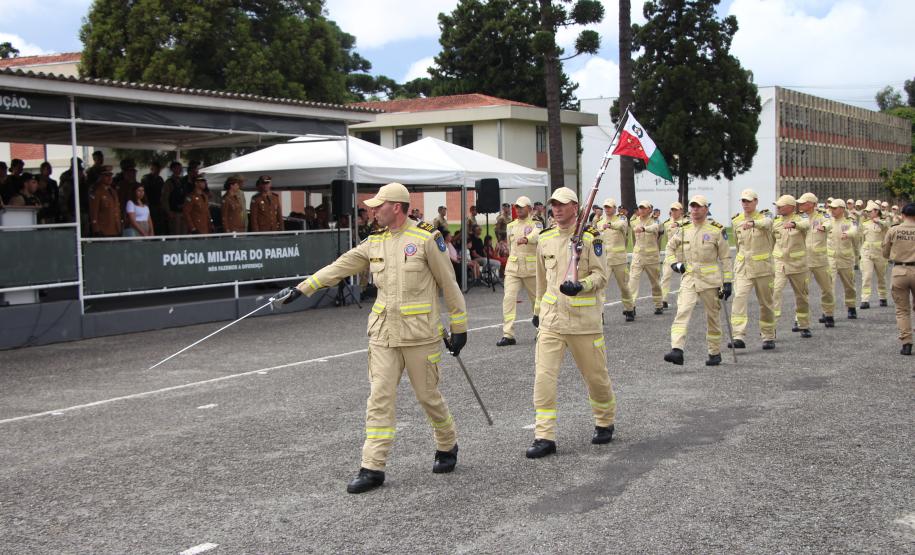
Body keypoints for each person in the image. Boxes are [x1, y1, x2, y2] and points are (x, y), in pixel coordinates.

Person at [286, 182, 468, 493]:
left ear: (396, 207)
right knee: (379, 398)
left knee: (427, 396)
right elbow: (340, 266)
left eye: (378, 206)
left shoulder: (426, 238)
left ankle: (447, 443)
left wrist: (460, 326)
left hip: (420, 335)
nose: (373, 210)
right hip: (383, 334)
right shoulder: (375, 242)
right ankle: (372, 466)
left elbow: (448, 284)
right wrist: (302, 288)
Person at [527, 186, 615, 459]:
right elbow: (542, 279)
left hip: (584, 321)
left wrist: (582, 285)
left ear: (576, 207)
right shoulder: (545, 238)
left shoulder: (590, 238)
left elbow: (602, 276)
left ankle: (604, 419)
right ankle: (544, 435)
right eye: (554, 204)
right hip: (552, 321)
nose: (557, 208)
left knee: (595, 377)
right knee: (544, 377)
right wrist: (538, 309)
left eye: (563, 204)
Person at [664, 195, 733, 366]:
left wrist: (728, 282)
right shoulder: (684, 228)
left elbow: (725, 258)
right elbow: (669, 247)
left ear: (706, 209)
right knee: (682, 311)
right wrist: (675, 264)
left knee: (712, 317)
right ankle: (677, 349)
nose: (695, 210)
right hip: (690, 278)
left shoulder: (716, 229)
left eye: (699, 207)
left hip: (710, 280)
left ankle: (714, 351)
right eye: (692, 207)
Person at [728, 189, 776, 349]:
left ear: (756, 201)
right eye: (743, 201)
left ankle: (768, 335)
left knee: (766, 303)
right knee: (739, 298)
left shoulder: (765, 216)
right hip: (743, 268)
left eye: (748, 201)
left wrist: (754, 223)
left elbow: (769, 224)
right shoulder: (736, 220)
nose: (745, 204)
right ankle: (738, 336)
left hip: (763, 268)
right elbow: (737, 243)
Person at [497, 196, 542, 346]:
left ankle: (541, 330)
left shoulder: (537, 223)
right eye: (517, 207)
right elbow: (511, 247)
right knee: (508, 299)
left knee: (537, 301)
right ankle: (508, 334)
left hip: (531, 269)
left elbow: (536, 236)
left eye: (521, 207)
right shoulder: (511, 225)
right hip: (513, 268)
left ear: (529, 208)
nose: (518, 209)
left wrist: (527, 239)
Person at [771, 195, 812, 338]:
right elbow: (771, 241)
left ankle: (803, 324)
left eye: (782, 205)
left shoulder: (801, 220)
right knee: (774, 293)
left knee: (801, 296)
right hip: (780, 264)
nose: (778, 208)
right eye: (778, 205)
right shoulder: (776, 222)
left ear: (791, 207)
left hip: (797, 265)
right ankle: (771, 328)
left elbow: (807, 225)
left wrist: (794, 225)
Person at [798, 193, 836, 328]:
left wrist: (824, 227)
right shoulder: (799, 217)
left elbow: (830, 223)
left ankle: (829, 314)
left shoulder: (823, 215)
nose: (801, 205)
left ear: (812, 204)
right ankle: (799, 319)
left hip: (820, 260)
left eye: (804, 203)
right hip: (804, 260)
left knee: (827, 289)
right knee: (802, 291)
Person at [882, 202, 915, 355]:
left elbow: (885, 251)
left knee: (902, 310)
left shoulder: (894, 230)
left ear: (902, 215)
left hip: (899, 271)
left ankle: (906, 343)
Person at [596, 198, 635, 321]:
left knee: (624, 286)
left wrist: (610, 225)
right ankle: (599, 314)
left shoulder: (621, 219)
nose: (607, 209)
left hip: (619, 260)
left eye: (609, 207)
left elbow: (622, 225)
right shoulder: (599, 223)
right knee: (601, 287)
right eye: (605, 207)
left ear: (614, 208)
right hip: (605, 260)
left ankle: (629, 309)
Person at [628, 200, 664, 314]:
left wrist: (644, 229)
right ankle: (630, 307)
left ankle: (658, 304)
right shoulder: (634, 221)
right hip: (638, 256)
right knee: (632, 282)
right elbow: (634, 226)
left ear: (650, 210)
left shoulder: (656, 221)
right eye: (640, 208)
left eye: (644, 208)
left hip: (651, 257)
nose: (642, 210)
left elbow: (655, 227)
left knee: (655, 283)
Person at [827, 198, 860, 319]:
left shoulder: (850, 220)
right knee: (829, 285)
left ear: (842, 209)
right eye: (831, 208)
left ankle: (851, 306)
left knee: (849, 285)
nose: (832, 210)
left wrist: (848, 234)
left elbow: (855, 230)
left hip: (845, 258)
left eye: (835, 208)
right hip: (831, 258)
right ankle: (828, 312)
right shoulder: (828, 221)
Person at [859, 201, 889, 308]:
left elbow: (888, 226)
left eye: (870, 211)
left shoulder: (884, 221)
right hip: (867, 252)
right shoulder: (865, 223)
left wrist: (879, 222)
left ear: (876, 211)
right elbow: (860, 238)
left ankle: (883, 297)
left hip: (880, 253)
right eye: (867, 211)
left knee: (881, 276)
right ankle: (865, 299)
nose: (868, 213)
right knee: (866, 276)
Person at [660, 202, 687, 309]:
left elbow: (688, 224)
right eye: (672, 210)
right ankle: (663, 299)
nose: (674, 212)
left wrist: (678, 224)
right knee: (666, 276)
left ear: (681, 211)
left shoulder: (687, 221)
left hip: (684, 254)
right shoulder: (666, 223)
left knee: (686, 277)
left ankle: (687, 297)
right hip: (672, 254)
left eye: (676, 210)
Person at [89, 166, 121, 237]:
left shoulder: (113, 191)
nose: (110, 178)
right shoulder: (96, 191)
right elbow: (94, 211)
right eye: (106, 176)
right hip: (103, 229)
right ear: (100, 177)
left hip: (115, 228)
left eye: (110, 175)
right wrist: (96, 228)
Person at [142, 161, 167, 235]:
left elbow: (162, 192)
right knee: (152, 221)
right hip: (150, 203)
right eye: (155, 169)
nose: (157, 170)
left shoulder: (160, 179)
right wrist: (146, 203)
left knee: (159, 223)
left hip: (158, 203)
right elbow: (144, 191)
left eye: (159, 169)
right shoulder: (146, 178)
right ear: (152, 169)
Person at [162, 161, 186, 235]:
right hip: (174, 212)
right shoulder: (169, 182)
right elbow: (164, 199)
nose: (180, 170)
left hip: (183, 211)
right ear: (173, 169)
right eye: (178, 168)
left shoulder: (182, 181)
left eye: (180, 168)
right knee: (176, 233)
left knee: (184, 233)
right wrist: (168, 212)